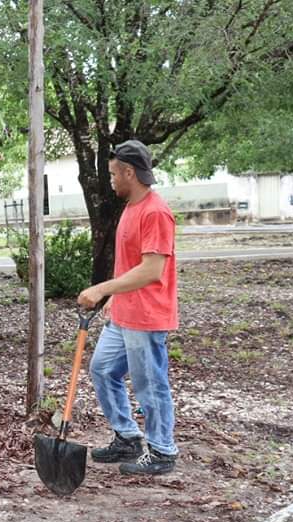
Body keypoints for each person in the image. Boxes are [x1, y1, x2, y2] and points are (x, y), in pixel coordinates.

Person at [77, 140, 179, 476]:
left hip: (147, 317)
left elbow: (152, 270)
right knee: (103, 370)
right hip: (124, 314)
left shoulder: (155, 212)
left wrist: (102, 289)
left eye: (113, 174)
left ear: (129, 172)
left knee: (150, 383)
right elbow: (129, 265)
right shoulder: (131, 208)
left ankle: (162, 451)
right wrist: (115, 300)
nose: (110, 180)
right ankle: (127, 436)